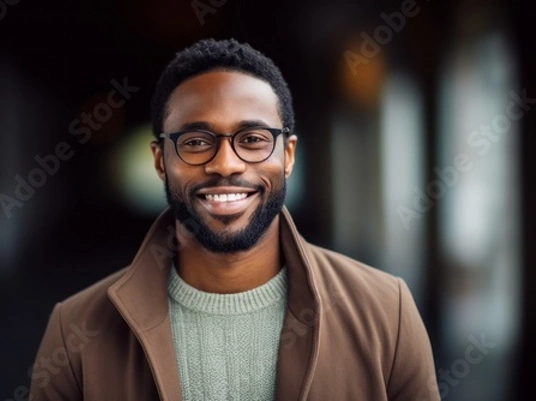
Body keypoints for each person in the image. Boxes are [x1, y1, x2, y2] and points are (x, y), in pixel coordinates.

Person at [29, 38, 440, 401]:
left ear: (289, 156)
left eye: (253, 140)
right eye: (195, 142)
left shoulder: (388, 313)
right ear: (160, 160)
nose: (225, 163)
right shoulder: (75, 330)